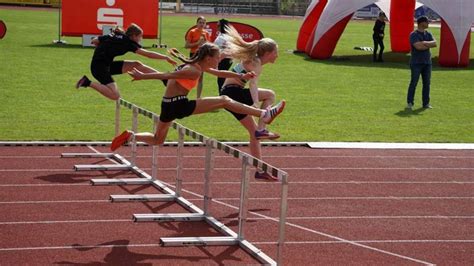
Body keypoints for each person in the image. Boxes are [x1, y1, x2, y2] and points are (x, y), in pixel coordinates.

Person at [110, 43, 286, 152]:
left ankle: (131, 136)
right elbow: (167, 75)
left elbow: (219, 72)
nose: (219, 60)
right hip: (178, 105)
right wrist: (143, 76)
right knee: (224, 100)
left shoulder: (198, 65)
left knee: (158, 139)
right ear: (208, 57)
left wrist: (244, 76)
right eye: (217, 57)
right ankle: (263, 114)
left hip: (167, 105)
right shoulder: (193, 70)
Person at [219, 26, 282, 181]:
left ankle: (260, 169)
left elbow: (252, 85)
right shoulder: (255, 63)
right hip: (232, 92)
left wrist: (254, 103)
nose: (277, 55)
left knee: (254, 134)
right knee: (270, 94)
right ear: (267, 53)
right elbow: (253, 86)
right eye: (276, 52)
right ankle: (262, 128)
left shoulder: (255, 61)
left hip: (231, 92)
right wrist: (255, 103)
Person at [75, 23, 177, 101]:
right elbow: (147, 54)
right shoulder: (128, 42)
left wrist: (104, 48)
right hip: (99, 68)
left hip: (105, 64)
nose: (140, 39)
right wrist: (165, 57)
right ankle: (87, 82)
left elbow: (95, 40)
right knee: (115, 95)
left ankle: (163, 78)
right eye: (140, 37)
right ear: (133, 36)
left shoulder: (119, 35)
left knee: (136, 65)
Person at [406, 16, 437, 110]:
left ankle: (426, 103)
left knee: (427, 83)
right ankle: (410, 103)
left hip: (427, 63)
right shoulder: (413, 34)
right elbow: (418, 47)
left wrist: (423, 42)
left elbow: (435, 43)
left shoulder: (428, 33)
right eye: (427, 22)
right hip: (416, 63)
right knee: (414, 83)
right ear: (421, 23)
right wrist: (428, 45)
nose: (428, 23)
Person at [185, 16, 211, 98]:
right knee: (191, 75)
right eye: (200, 22)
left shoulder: (206, 33)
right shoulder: (192, 32)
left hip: (202, 56)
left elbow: (209, 46)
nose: (201, 24)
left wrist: (205, 43)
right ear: (197, 23)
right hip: (193, 55)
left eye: (203, 23)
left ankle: (198, 97)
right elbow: (186, 46)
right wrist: (197, 43)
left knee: (200, 77)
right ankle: (184, 94)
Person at [214, 19, 233, 92]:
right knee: (221, 78)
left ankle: (223, 95)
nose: (217, 27)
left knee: (221, 79)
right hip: (225, 59)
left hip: (224, 59)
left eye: (218, 25)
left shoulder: (223, 37)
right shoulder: (223, 35)